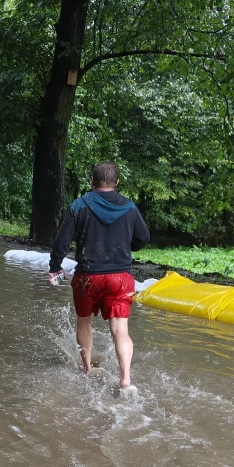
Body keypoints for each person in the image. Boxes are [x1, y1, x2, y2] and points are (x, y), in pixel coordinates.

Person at [48, 161, 150, 392]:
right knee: (121, 330)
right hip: (120, 278)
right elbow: (143, 238)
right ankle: (126, 379)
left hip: (88, 278)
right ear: (117, 182)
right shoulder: (130, 207)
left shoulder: (79, 205)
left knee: (84, 321)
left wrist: (55, 267)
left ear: (92, 181)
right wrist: (127, 245)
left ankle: (86, 369)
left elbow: (61, 242)